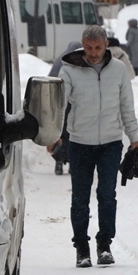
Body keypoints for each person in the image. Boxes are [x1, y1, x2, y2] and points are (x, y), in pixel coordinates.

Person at [49, 25, 138, 268]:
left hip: (111, 142)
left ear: (106, 45)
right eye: (89, 48)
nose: (93, 52)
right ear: (83, 45)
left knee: (107, 195)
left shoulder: (119, 70)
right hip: (80, 143)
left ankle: (104, 245)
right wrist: (54, 134)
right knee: (80, 198)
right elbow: (59, 106)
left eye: (98, 48)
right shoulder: (70, 69)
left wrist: (134, 136)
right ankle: (82, 248)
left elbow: (126, 106)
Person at [48, 41, 82, 175]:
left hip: (59, 102)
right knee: (73, 133)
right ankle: (73, 163)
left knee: (61, 133)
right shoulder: (79, 62)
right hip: (73, 103)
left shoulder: (60, 61)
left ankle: (59, 161)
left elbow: (51, 78)